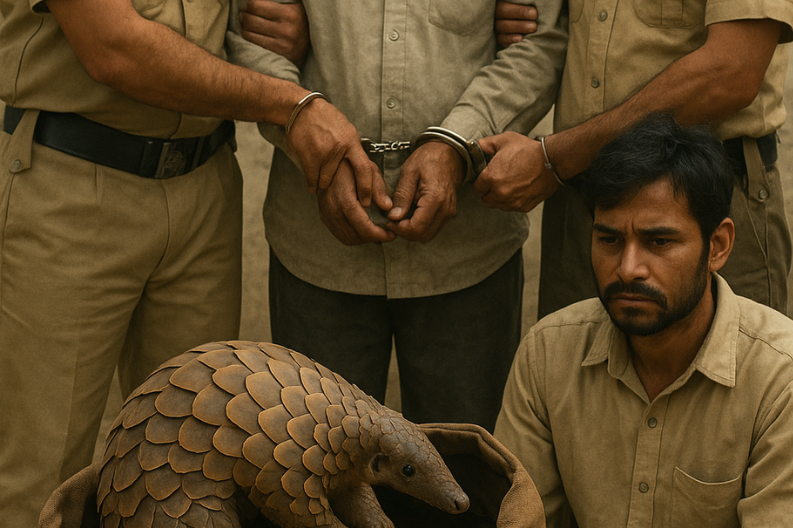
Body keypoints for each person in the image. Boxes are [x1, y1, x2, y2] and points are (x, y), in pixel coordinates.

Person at [0, 0, 380, 523]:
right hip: (73, 186)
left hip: (205, 185)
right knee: (41, 478)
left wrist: (281, 24)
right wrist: (291, 104)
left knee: (190, 467)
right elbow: (113, 49)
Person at [227, 0, 568, 431]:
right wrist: (304, 129)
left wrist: (457, 144)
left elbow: (540, 43)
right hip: (316, 249)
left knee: (463, 474)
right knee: (322, 473)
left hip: (467, 251)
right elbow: (249, 31)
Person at [494, 115, 793, 527]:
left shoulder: (781, 378)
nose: (629, 268)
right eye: (610, 240)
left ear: (718, 246)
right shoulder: (547, 353)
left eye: (659, 241)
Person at [479, 0, 793, 318]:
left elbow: (732, 72)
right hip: (580, 196)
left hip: (705, 193)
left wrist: (556, 157)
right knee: (572, 358)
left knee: (725, 361)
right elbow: (535, 18)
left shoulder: (560, 160)